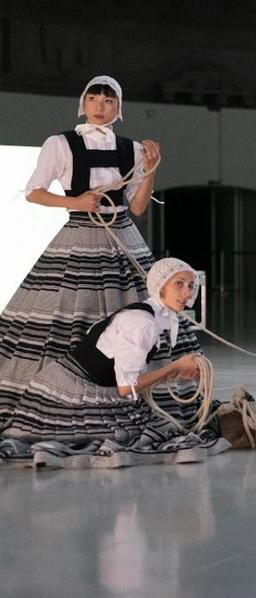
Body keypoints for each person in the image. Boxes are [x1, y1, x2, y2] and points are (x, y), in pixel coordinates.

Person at [0, 76, 200, 419]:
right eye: (93, 98)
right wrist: (76, 202)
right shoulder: (60, 144)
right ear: (84, 102)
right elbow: (34, 192)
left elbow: (137, 206)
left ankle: (142, 384)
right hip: (79, 234)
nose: (100, 106)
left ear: (118, 107)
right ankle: (68, 384)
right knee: (67, 312)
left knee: (143, 306)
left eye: (108, 101)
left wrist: (151, 170)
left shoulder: (130, 149)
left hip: (123, 234)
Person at [0, 258, 228, 469]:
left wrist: (174, 373)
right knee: (125, 434)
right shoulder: (142, 323)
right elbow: (127, 388)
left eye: (191, 286)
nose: (187, 292)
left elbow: (128, 374)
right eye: (179, 284)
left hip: (91, 383)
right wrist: (175, 367)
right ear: (160, 286)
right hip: (65, 391)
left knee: (147, 424)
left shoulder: (154, 315)